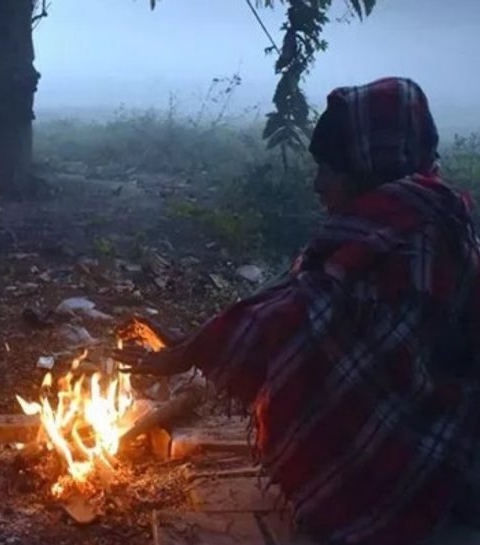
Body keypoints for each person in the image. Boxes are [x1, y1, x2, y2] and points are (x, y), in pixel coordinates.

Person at [117, 77, 480, 545]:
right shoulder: (409, 221)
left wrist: (195, 350)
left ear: (370, 167)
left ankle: (363, 505)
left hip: (433, 466)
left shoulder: (413, 247)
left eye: (331, 169)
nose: (318, 184)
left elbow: (300, 321)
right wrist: (201, 341)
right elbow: (301, 300)